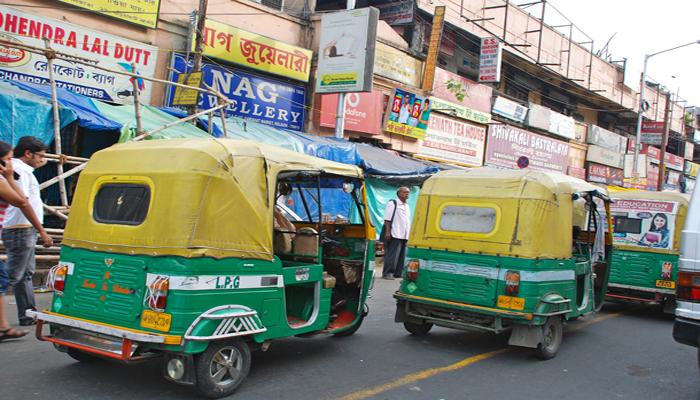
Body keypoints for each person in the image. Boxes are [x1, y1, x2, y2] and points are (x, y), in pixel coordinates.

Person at [0, 140, 51, 341]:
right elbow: (22, 201)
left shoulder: (20, 171)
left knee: (20, 275)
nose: (10, 163)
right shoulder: (15, 174)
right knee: (10, 277)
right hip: (20, 228)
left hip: (22, 228)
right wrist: (42, 230)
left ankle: (23, 315)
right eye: (6, 159)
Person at [382, 187, 411, 279]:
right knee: (392, 255)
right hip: (395, 233)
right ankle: (387, 273)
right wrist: (387, 232)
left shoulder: (407, 206)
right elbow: (387, 219)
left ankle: (398, 273)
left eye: (408, 192)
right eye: (405, 192)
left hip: (404, 234)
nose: (407, 194)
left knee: (402, 255)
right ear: (399, 193)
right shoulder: (393, 203)